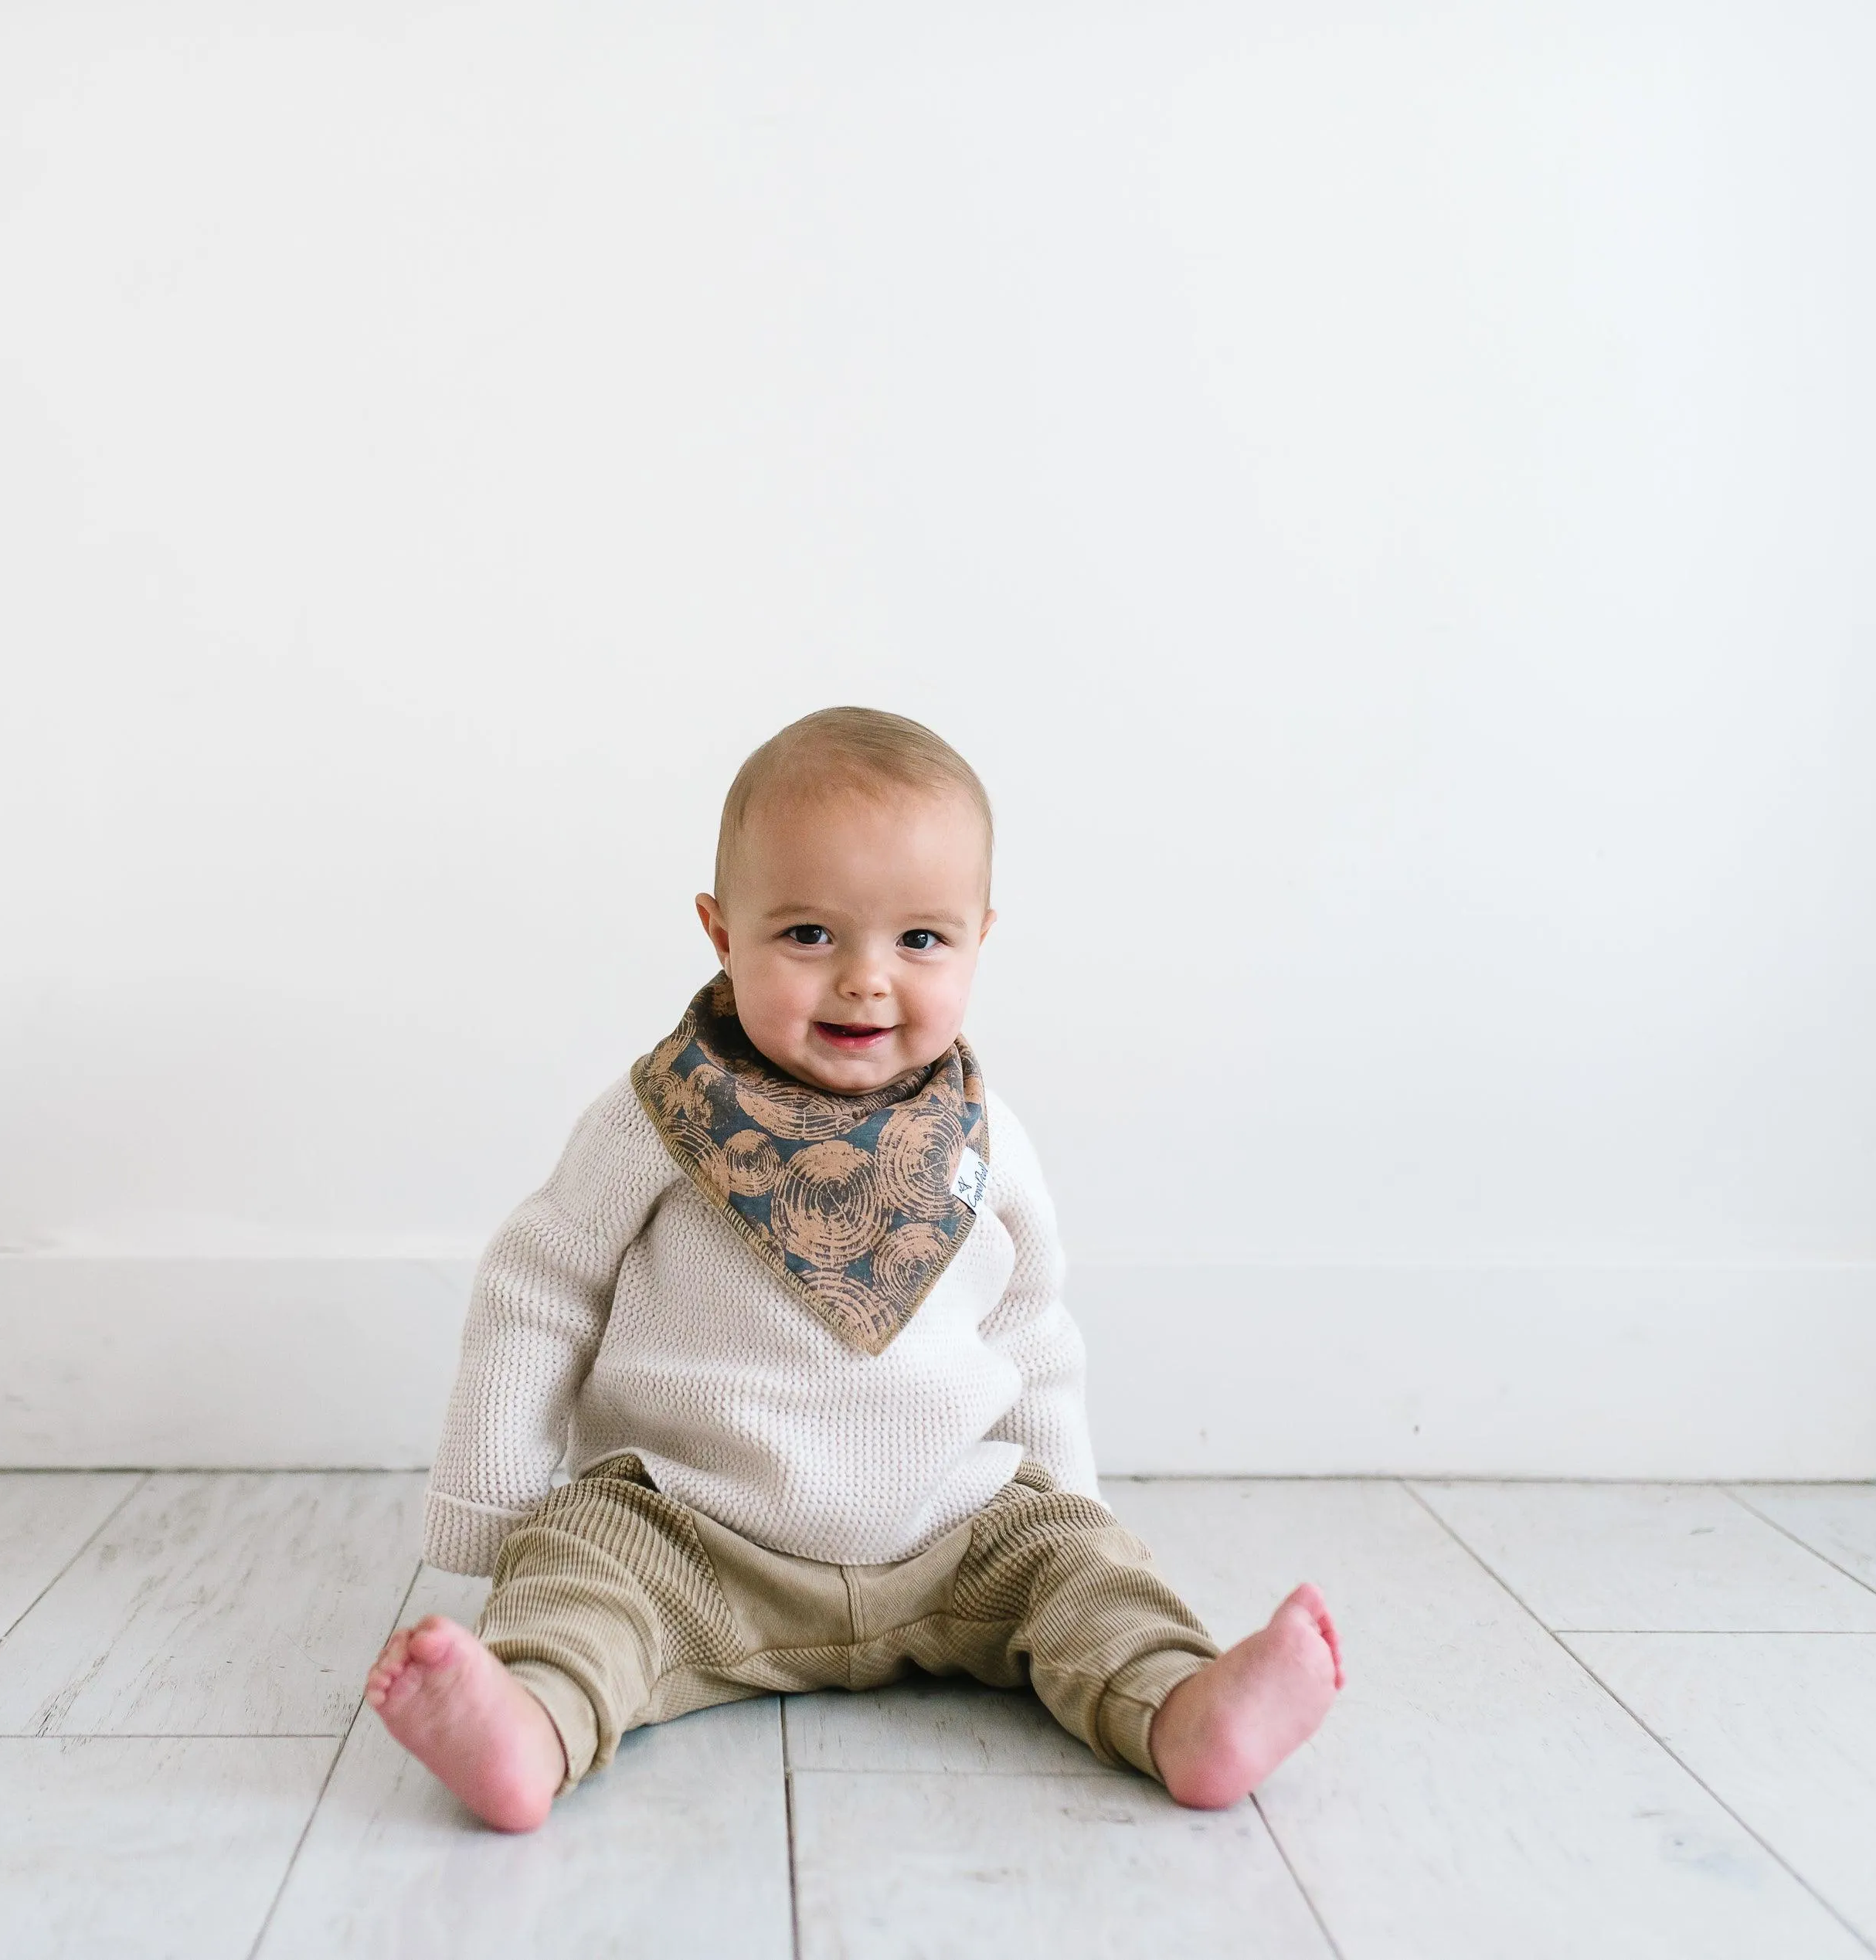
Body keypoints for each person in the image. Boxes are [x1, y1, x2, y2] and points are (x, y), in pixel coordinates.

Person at [364, 706, 1341, 1831]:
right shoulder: (656, 1121)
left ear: (980, 936)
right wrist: (492, 1505)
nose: (866, 982)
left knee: (1085, 1579)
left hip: (953, 1531)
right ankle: (529, 1725)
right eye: (810, 935)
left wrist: (1074, 1507)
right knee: (581, 1577)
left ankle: (1182, 1706)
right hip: (693, 1525)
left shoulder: (988, 1140)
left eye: (920, 941)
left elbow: (1032, 1331)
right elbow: (539, 1289)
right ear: (721, 931)